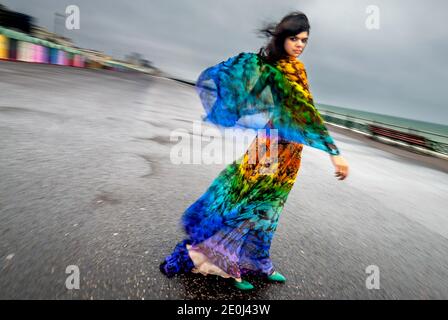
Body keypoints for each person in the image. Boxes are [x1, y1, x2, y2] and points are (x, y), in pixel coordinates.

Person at [159, 11, 349, 291]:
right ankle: (221, 261)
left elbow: (303, 108)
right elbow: (298, 109)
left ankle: (256, 260)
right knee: (248, 205)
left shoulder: (298, 68)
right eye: (294, 38)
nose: (299, 44)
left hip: (290, 154)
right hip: (267, 149)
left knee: (271, 209)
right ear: (282, 38)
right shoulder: (275, 69)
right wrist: (334, 152)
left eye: (304, 40)